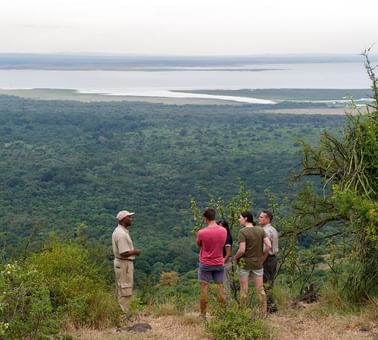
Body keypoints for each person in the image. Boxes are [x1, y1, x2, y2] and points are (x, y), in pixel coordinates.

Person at [234, 211, 271, 317]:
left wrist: (235, 258)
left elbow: (242, 250)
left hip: (244, 264)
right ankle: (263, 313)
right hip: (257, 264)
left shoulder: (242, 232)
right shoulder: (260, 230)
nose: (239, 219)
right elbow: (268, 245)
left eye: (240, 217)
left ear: (246, 219)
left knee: (244, 290)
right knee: (260, 289)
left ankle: (243, 313)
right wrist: (262, 257)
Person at [196, 208, 227, 319]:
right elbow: (223, 244)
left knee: (204, 290)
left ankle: (203, 315)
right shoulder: (223, 230)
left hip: (205, 263)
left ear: (205, 218)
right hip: (219, 262)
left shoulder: (201, 232)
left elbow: (199, 244)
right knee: (221, 289)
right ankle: (223, 314)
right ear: (214, 217)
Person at [112, 210, 141, 317]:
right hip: (124, 263)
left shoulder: (121, 231)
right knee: (125, 289)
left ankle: (123, 313)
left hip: (123, 263)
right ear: (123, 219)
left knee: (124, 288)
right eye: (129, 217)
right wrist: (135, 252)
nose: (131, 219)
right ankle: (123, 314)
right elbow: (123, 253)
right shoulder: (121, 234)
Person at [259, 210, 279, 313]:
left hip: (267, 259)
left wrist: (261, 260)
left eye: (261, 217)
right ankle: (271, 306)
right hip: (273, 258)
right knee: (270, 283)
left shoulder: (265, 231)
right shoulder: (273, 229)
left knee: (265, 283)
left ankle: (269, 307)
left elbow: (267, 248)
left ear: (267, 219)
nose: (259, 218)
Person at [218, 220, 233, 301]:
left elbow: (228, 253)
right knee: (222, 283)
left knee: (226, 283)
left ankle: (228, 303)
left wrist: (222, 262)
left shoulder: (227, 238)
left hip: (226, 261)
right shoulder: (223, 236)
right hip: (223, 260)